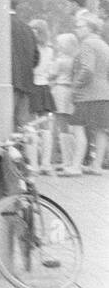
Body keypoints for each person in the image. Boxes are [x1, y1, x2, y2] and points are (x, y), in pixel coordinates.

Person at [67, 10, 109, 175]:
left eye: (79, 26)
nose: (76, 30)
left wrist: (75, 86)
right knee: (100, 130)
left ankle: (75, 166)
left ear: (89, 28)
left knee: (78, 128)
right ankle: (96, 166)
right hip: (104, 93)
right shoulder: (104, 45)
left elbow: (87, 70)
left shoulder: (87, 44)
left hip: (87, 95)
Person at [28, 18, 56, 172]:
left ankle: (34, 164)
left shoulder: (33, 49)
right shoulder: (49, 49)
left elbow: (33, 69)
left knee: (31, 126)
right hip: (44, 88)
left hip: (34, 86)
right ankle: (45, 163)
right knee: (45, 127)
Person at [51, 32, 79, 174]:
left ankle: (67, 160)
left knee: (61, 125)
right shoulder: (74, 60)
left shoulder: (60, 60)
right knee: (68, 125)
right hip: (69, 92)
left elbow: (51, 74)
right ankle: (71, 158)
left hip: (60, 90)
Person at [10, 4, 39, 129]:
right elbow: (36, 57)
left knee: (5, 122)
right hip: (26, 83)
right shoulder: (28, 29)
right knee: (24, 125)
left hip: (8, 83)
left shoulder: (1, 25)